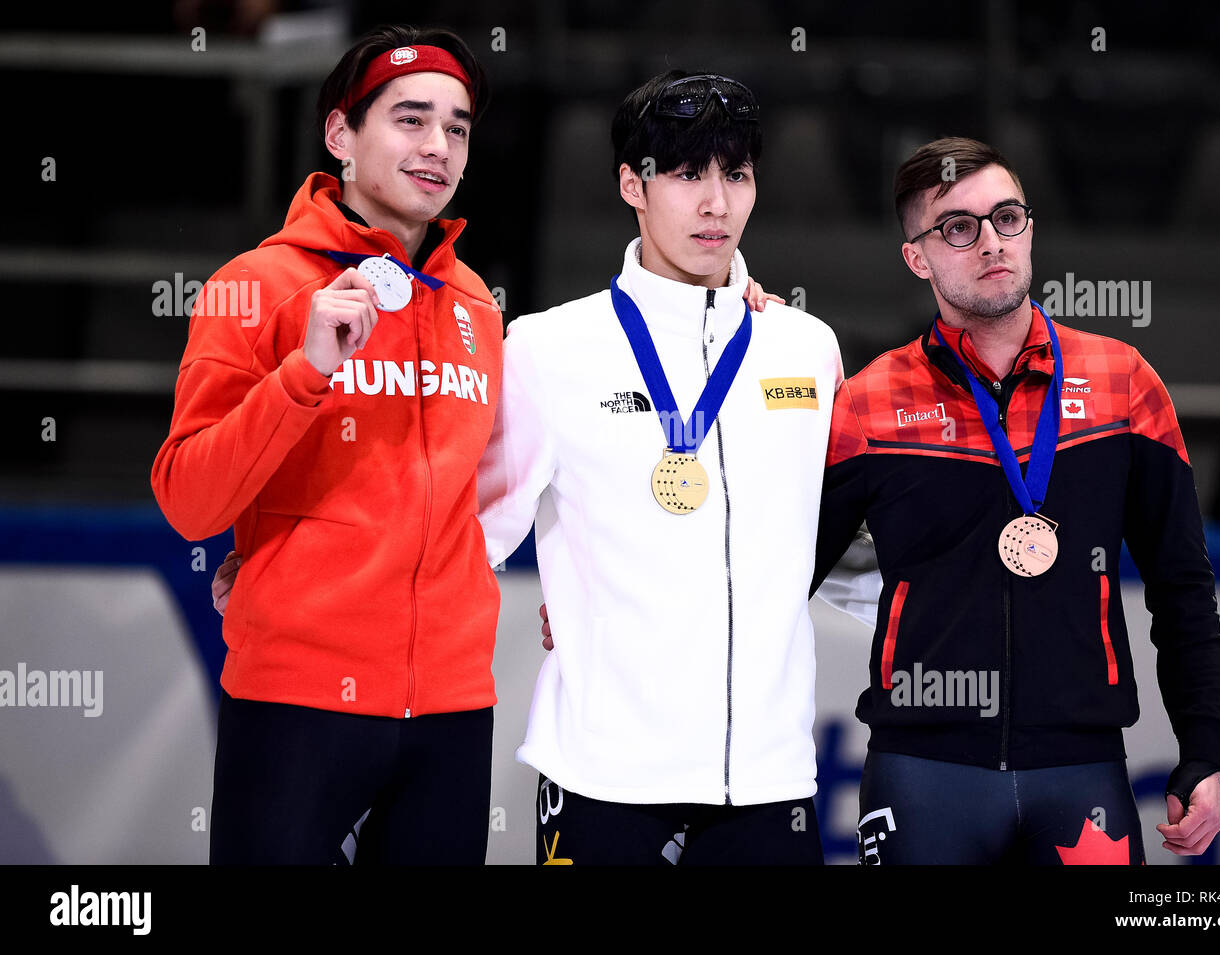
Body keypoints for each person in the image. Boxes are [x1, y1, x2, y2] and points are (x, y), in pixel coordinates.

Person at [812, 137, 1220, 864]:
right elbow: (774, 574)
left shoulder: (1123, 382)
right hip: (922, 771)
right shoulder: (869, 402)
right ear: (917, 256)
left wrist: (1204, 750)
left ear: (1030, 228)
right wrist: (604, 611)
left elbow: (1182, 586)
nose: (990, 242)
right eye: (957, 227)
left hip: (1081, 771)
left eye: (1006, 217)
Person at [151, 25, 504, 864]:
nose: (439, 147)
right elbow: (189, 500)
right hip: (298, 702)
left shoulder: (476, 307)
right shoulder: (257, 285)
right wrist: (303, 373)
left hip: (451, 710)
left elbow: (487, 494)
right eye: (410, 120)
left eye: (456, 128)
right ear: (341, 136)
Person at [472, 70, 843, 865]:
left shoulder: (806, 348)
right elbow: (464, 538)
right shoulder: (546, 349)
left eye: (735, 174)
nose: (716, 204)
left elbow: (843, 546)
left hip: (771, 783)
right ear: (630, 185)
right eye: (685, 174)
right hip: (604, 781)